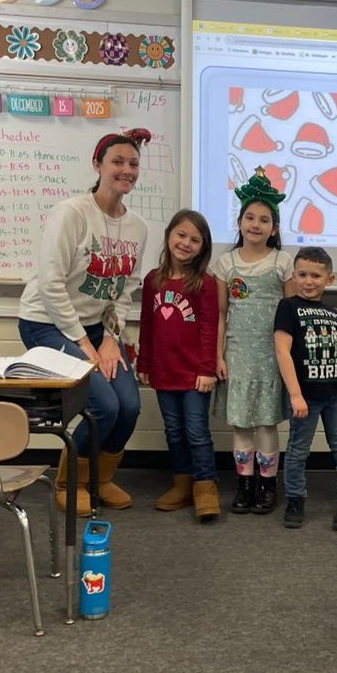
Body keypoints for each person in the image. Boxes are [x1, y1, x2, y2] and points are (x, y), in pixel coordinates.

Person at [18, 128, 151, 515]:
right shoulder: (72, 212)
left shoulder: (138, 227)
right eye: (118, 161)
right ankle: (68, 482)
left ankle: (101, 479)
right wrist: (84, 344)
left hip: (96, 327)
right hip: (45, 322)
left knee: (128, 405)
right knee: (104, 406)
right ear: (98, 165)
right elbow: (50, 284)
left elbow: (125, 289)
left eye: (133, 164)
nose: (127, 170)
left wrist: (111, 338)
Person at [213, 167, 295, 515]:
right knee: (241, 423)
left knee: (266, 423)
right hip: (238, 355)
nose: (256, 225)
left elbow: (293, 316)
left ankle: (266, 484)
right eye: (250, 217)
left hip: (271, 356)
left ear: (274, 228)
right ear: (240, 221)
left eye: (264, 219)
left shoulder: (283, 262)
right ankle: (244, 483)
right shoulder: (226, 263)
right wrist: (219, 356)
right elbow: (220, 314)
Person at [138, 209, 220, 523]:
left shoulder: (205, 283)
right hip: (163, 370)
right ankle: (182, 483)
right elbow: (147, 324)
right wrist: (144, 362)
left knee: (196, 431)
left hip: (194, 374)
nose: (186, 243)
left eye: (194, 240)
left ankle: (205, 485)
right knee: (173, 431)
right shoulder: (152, 280)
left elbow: (209, 328)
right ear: (169, 235)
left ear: (203, 247)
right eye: (181, 235)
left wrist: (206, 369)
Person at [274, 246, 337, 530]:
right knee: (299, 449)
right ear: (294, 276)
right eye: (302, 275)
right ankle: (295, 498)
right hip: (306, 396)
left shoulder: (334, 314)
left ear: (329, 279)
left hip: (335, 394)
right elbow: (282, 352)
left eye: (315, 275)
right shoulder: (287, 307)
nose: (308, 281)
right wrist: (296, 395)